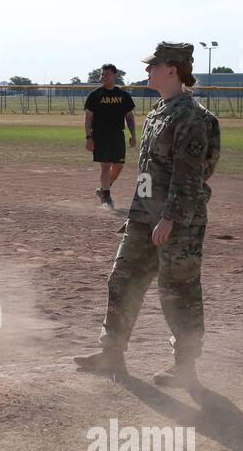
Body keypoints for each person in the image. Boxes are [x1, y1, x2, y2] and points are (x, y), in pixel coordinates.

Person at [74, 42, 221, 388]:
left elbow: (191, 175)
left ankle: (185, 367)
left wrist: (170, 217)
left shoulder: (192, 117)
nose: (147, 71)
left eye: (153, 66)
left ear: (173, 69)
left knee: (178, 291)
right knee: (122, 279)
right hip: (145, 217)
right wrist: (138, 210)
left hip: (179, 221)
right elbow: (146, 171)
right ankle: (112, 351)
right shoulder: (159, 111)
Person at [84, 63, 136, 207]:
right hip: (100, 135)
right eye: (102, 74)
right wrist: (88, 137)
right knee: (105, 165)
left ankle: (103, 188)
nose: (103, 77)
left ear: (114, 76)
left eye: (107, 74)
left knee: (119, 165)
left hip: (118, 135)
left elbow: (130, 117)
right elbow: (88, 118)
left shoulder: (123, 95)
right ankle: (106, 196)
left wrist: (133, 135)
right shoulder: (95, 95)